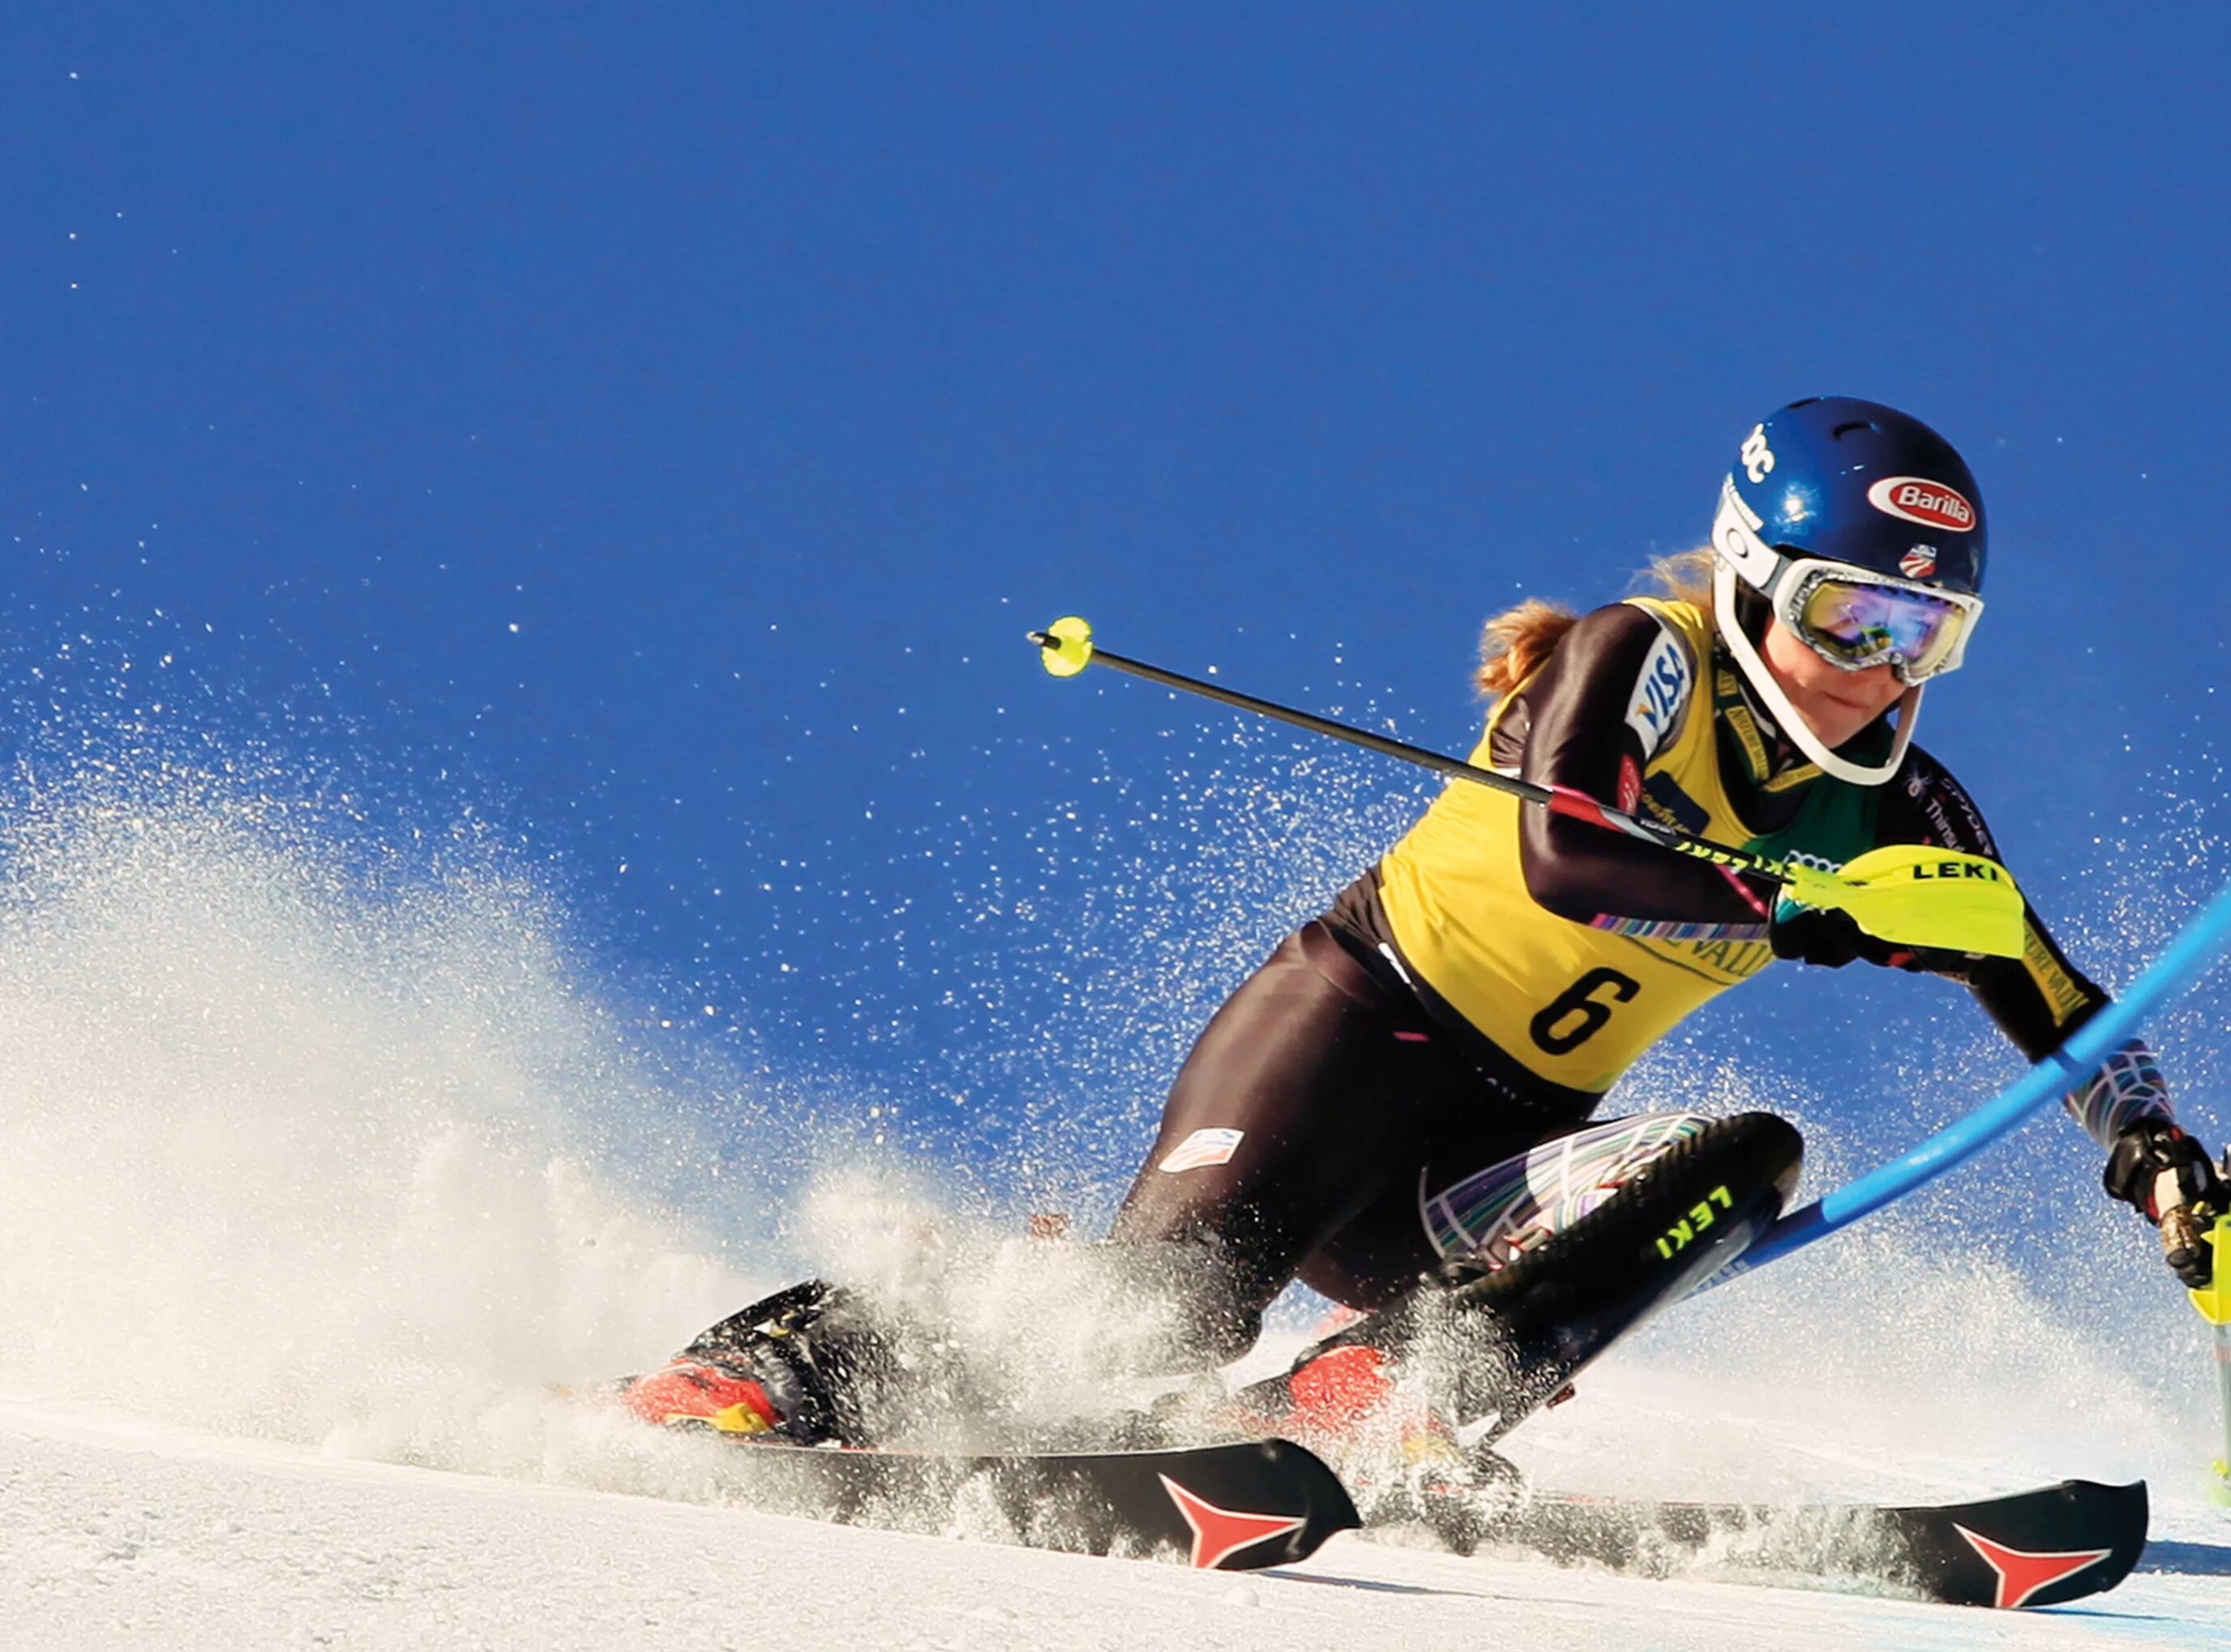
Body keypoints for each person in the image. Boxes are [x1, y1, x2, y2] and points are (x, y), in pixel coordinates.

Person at [625, 398, 2220, 1460]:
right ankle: (773, 1362)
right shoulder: (1640, 655)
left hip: (1490, 1169)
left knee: (1749, 1156)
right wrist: (1795, 904)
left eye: (1926, 630)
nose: (1884, 668)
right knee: (1148, 1323)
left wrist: (2160, 1161)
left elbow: (2050, 989)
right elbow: (1570, 852)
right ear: (1753, 579)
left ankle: (1395, 1395)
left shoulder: (1902, 803)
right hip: (1348, 1038)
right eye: (1850, 617)